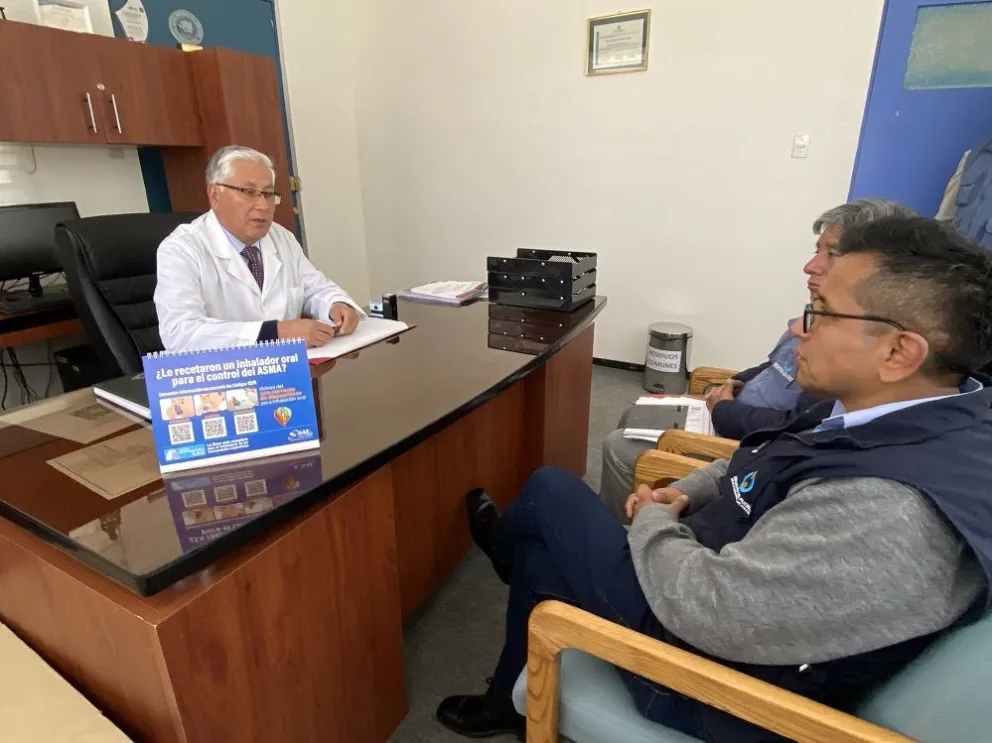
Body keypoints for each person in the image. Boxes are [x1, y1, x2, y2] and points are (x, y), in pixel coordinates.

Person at [437, 215, 992, 742]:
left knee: (551, 492)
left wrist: (655, 518)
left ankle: (504, 550)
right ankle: (507, 696)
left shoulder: (885, 510)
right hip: (733, 590)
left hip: (711, 688)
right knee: (543, 552)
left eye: (820, 311)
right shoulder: (908, 413)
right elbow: (769, 455)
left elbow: (710, 609)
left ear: (899, 351)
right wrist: (690, 490)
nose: (797, 327)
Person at [598, 198, 915, 521]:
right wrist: (734, 383)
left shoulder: (851, 355)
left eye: (830, 253)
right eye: (816, 250)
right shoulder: (817, 320)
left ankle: (625, 537)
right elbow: (773, 367)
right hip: (729, 411)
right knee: (633, 414)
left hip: (737, 433)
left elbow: (792, 429)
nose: (811, 266)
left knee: (618, 446)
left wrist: (723, 409)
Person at [155, 145, 364, 352]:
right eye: (249, 192)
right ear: (214, 194)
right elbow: (180, 333)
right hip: (224, 378)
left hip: (287, 374)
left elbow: (315, 288)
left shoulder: (281, 237)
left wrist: (336, 305)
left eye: (268, 194)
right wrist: (274, 333)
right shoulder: (181, 250)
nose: (263, 206)